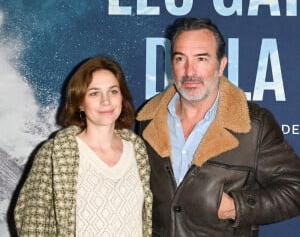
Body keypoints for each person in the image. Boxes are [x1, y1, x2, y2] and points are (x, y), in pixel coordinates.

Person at [136, 17, 300, 237]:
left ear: (221, 65)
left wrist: (237, 206)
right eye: (180, 58)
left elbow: (296, 189)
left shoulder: (254, 126)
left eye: (201, 59)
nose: (189, 71)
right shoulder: (148, 119)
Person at [14, 56, 152, 236]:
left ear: (122, 97)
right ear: (80, 103)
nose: (106, 101)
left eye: (113, 91)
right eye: (94, 93)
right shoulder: (55, 153)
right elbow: (30, 223)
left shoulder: (137, 150)